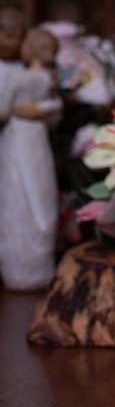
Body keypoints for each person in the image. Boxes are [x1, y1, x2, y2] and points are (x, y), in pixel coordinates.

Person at [0, 26, 62, 290]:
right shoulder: (48, 78)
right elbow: (57, 113)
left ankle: (19, 270)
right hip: (38, 141)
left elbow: (2, 110)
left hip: (17, 139)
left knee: (18, 197)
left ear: (30, 49)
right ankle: (38, 268)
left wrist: (34, 109)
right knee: (39, 197)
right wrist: (42, 108)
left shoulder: (17, 78)